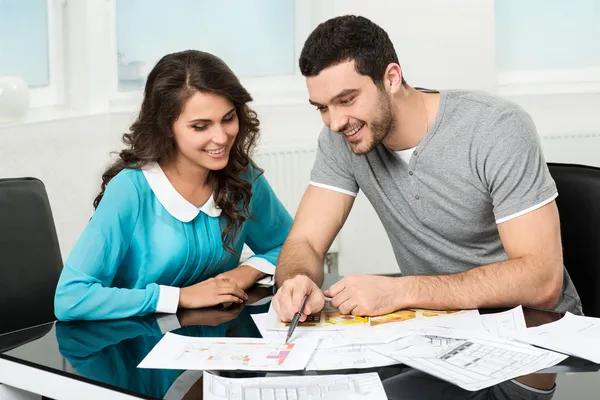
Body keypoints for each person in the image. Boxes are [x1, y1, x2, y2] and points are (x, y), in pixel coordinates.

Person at [272, 15, 582, 324]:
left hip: (536, 327)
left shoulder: (496, 127)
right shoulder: (341, 139)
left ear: (391, 78)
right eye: (323, 107)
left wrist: (399, 291)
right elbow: (306, 242)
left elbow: (542, 281)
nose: (335, 122)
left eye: (347, 100)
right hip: (436, 328)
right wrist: (296, 282)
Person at [54, 50, 293, 321]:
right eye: (200, 126)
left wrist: (244, 273)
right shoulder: (131, 190)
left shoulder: (242, 176)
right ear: (167, 127)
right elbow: (71, 298)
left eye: (228, 119)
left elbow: (294, 245)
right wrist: (180, 296)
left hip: (211, 345)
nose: (220, 137)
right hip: (134, 344)